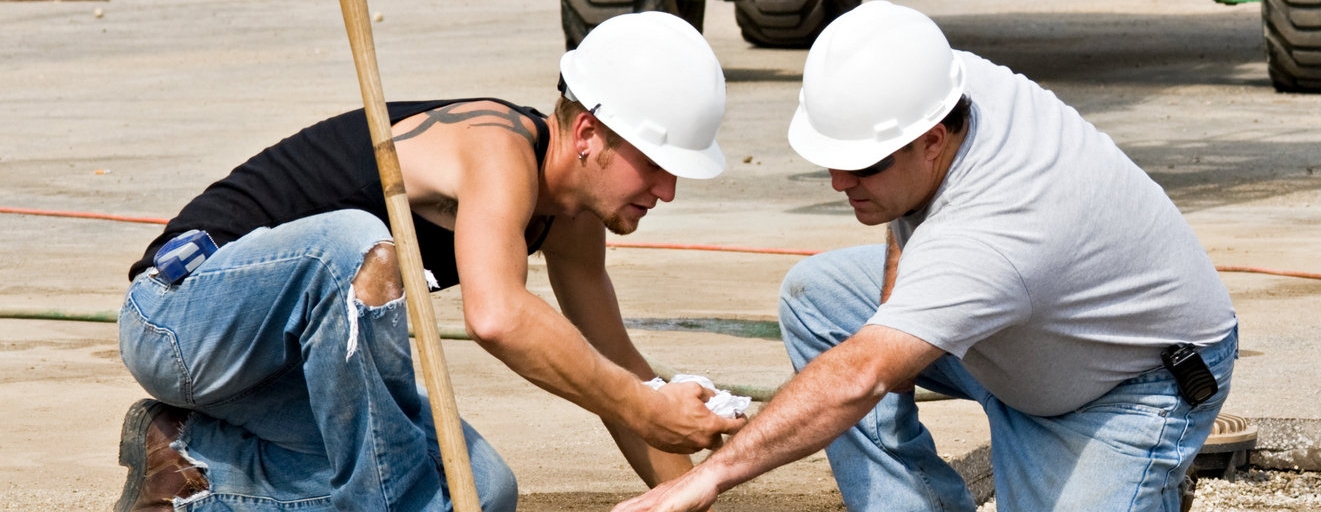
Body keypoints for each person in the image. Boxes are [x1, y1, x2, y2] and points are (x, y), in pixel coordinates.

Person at [615, 3, 1239, 511]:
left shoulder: (997, 232)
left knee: (857, 370)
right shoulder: (937, 82)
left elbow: (859, 375)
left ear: (932, 142)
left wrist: (707, 478)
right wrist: (895, 313)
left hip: (1124, 386)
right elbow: (904, 211)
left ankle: (1147, 474)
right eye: (832, 157)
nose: (839, 181)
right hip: (1026, 334)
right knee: (820, 296)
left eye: (862, 166)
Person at [112, 12, 744, 511]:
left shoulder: (571, 221)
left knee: (483, 491)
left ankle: (191, 471)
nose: (667, 190)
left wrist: (686, 488)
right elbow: (497, 316)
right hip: (182, 317)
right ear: (587, 135)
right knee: (353, 247)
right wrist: (643, 405)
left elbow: (619, 376)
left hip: (279, 373)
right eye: (658, 164)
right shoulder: (496, 148)